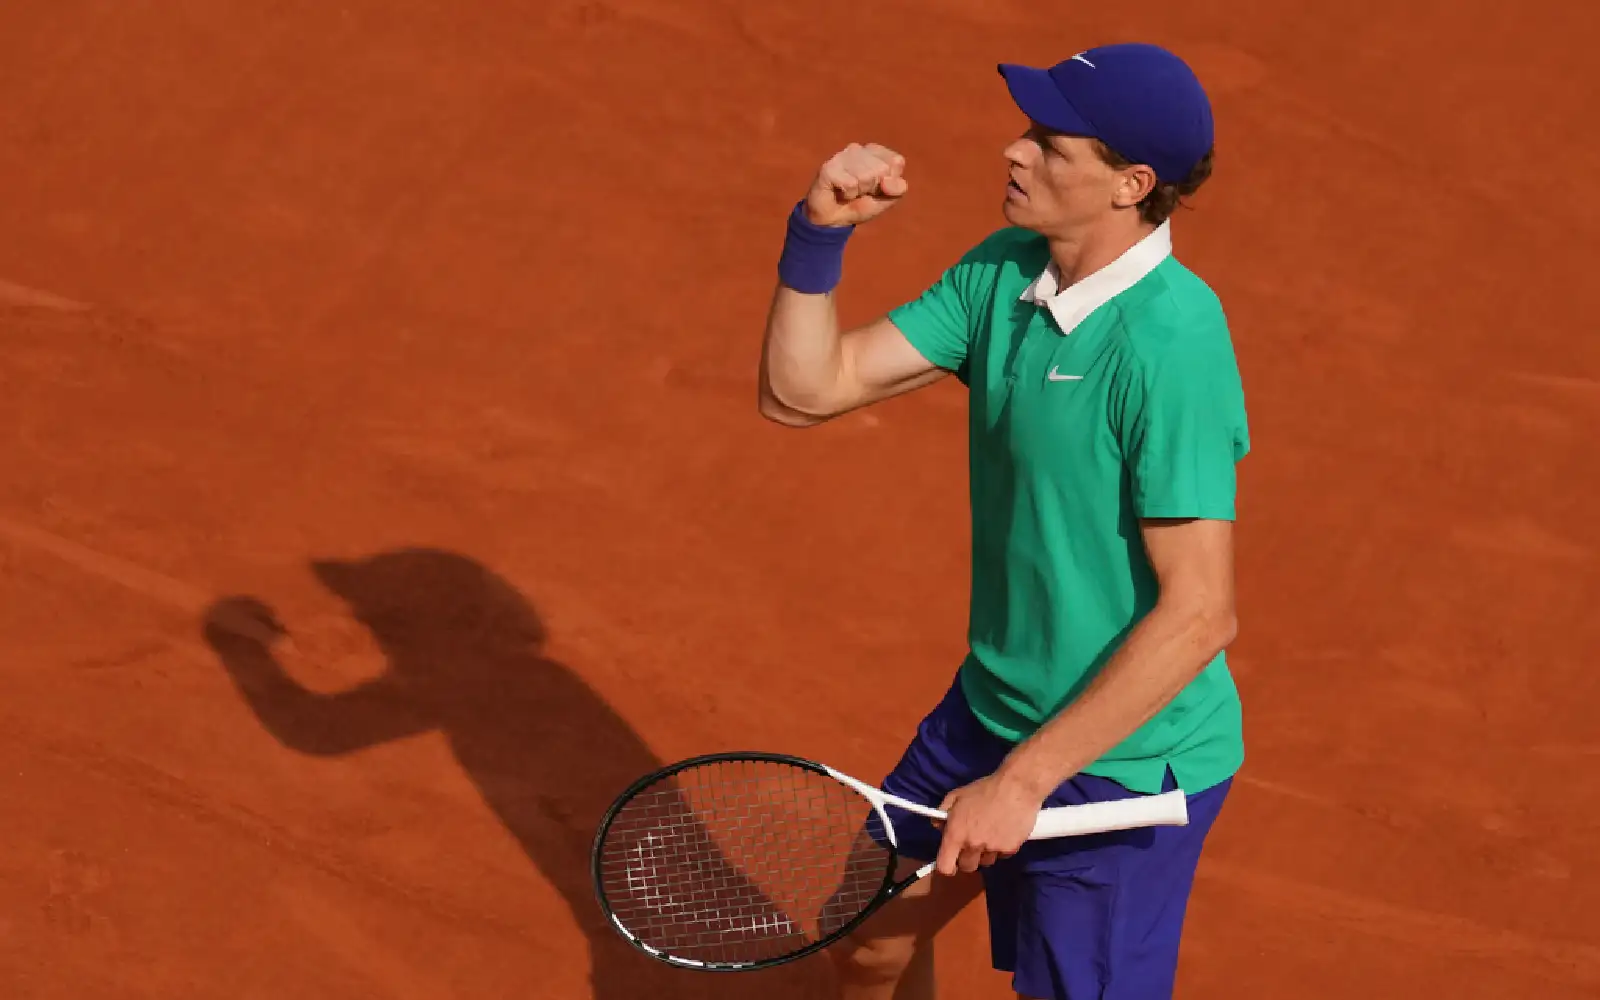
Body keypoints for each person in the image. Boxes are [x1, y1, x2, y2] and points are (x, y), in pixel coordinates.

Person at [756, 42, 1250, 1000]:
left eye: (1051, 144)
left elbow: (1200, 614)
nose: (1015, 151)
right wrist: (818, 237)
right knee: (868, 943)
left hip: (1120, 766)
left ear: (1130, 185)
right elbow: (803, 392)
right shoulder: (1005, 275)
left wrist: (1023, 783)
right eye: (1028, 130)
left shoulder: (1171, 346)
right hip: (991, 711)